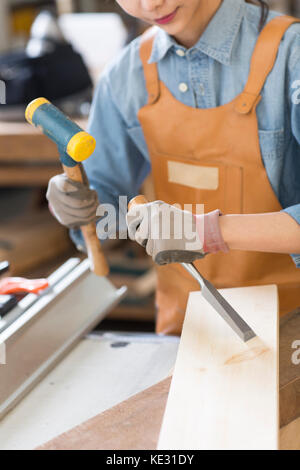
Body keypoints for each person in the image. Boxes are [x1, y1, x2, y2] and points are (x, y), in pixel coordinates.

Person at [47, 0, 300, 335]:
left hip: (291, 322)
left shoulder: (291, 56)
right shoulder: (125, 76)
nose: (151, 4)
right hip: (188, 326)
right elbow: (108, 215)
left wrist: (208, 232)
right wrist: (81, 207)